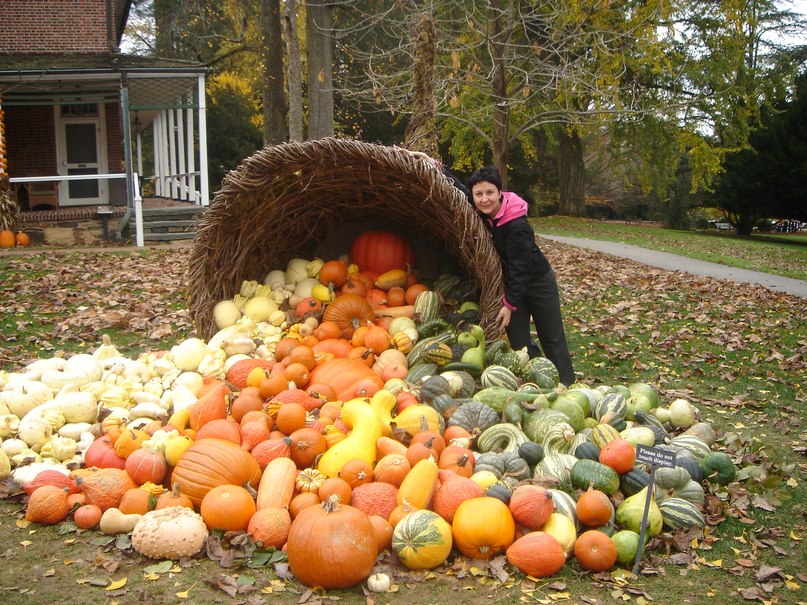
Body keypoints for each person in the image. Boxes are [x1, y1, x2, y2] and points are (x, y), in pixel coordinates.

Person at [466, 166, 576, 385]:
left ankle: (566, 384)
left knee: (551, 338)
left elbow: (521, 268)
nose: (484, 199)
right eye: (478, 194)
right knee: (519, 343)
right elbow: (458, 190)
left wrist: (509, 304)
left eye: (490, 192)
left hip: (538, 282)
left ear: (500, 192)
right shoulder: (482, 212)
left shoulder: (516, 224)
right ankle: (540, 380)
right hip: (512, 285)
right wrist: (435, 166)